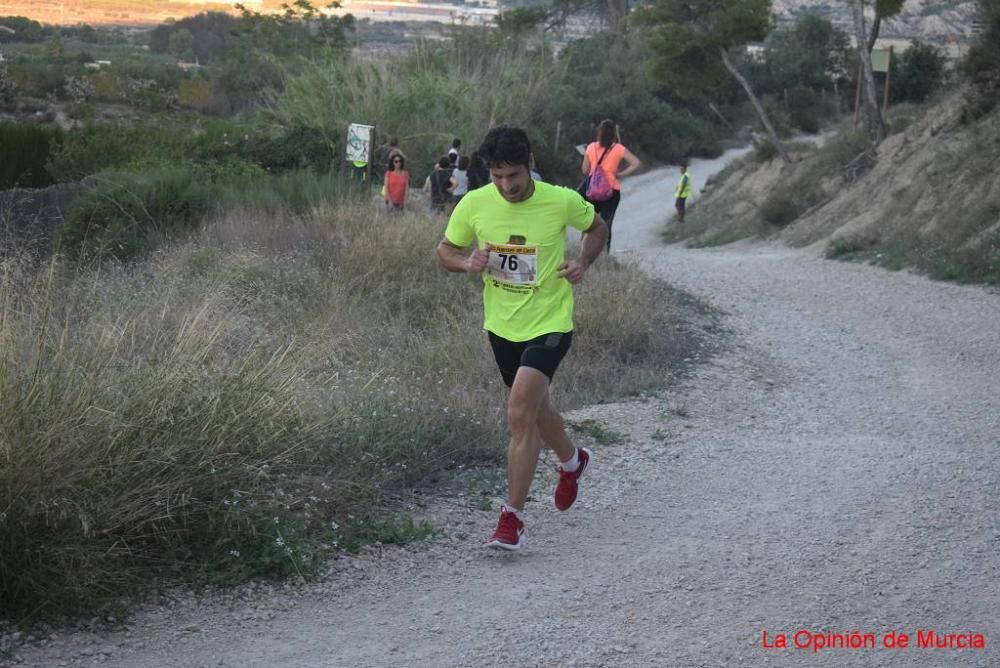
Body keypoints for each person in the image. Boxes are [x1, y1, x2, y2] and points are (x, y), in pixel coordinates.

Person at [436, 125, 609, 551]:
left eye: (513, 175)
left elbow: (597, 226)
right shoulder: (475, 203)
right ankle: (572, 462)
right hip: (501, 326)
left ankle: (512, 518)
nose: (506, 185)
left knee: (518, 414)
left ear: (530, 162)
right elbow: (445, 250)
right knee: (535, 408)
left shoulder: (560, 199)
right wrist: (465, 263)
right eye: (497, 176)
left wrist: (583, 261)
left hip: (550, 321)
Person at [580, 119, 641, 252]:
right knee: (607, 223)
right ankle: (604, 253)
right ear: (614, 133)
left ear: (599, 132)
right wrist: (621, 174)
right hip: (611, 191)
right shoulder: (619, 148)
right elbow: (636, 163)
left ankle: (583, 252)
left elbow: (585, 170)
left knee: (589, 222)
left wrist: (589, 160)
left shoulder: (590, 147)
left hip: (592, 191)